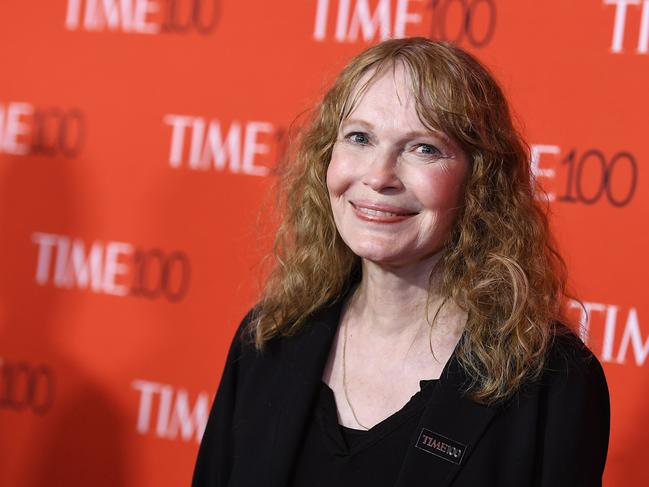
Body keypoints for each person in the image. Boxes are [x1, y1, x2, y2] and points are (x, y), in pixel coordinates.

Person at [192, 37, 610, 487]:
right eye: (360, 138)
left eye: (423, 148)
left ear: (481, 179)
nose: (378, 176)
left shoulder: (551, 381)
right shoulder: (269, 339)